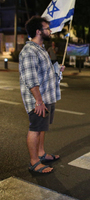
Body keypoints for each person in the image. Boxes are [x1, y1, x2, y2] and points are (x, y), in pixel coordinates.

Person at [19, 16, 65, 174]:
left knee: (42, 128)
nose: (50, 31)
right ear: (38, 31)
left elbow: (45, 74)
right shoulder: (29, 51)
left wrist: (58, 71)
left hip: (47, 97)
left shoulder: (42, 50)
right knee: (35, 129)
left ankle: (41, 154)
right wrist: (38, 101)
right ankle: (34, 162)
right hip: (38, 100)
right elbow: (31, 79)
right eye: (47, 28)